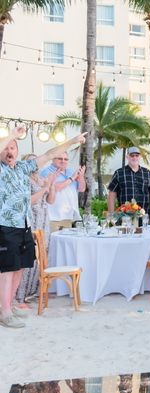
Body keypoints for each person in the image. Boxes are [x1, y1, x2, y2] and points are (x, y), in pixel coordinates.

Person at [0, 126, 86, 328]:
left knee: (21, 266)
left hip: (25, 224)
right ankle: (4, 312)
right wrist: (11, 135)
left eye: (13, 148)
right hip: (6, 226)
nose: (10, 151)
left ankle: (9, 305)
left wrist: (72, 141)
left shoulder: (23, 168)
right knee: (7, 269)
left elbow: (49, 154)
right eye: (6, 148)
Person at [15, 164, 58, 307]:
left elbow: (50, 200)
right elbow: (28, 201)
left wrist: (50, 185)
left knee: (42, 256)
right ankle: (19, 296)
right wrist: (45, 188)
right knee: (29, 259)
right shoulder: (23, 179)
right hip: (31, 220)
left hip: (44, 221)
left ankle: (35, 291)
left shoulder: (40, 179)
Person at [39, 151, 86, 232]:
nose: (63, 161)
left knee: (64, 243)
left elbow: (81, 189)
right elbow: (54, 188)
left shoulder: (70, 171)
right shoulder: (46, 171)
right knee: (52, 243)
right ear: (53, 159)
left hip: (68, 216)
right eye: (60, 158)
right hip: (52, 217)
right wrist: (72, 178)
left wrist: (81, 177)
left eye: (66, 159)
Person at [107, 146, 150, 220]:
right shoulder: (119, 173)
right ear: (127, 157)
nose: (134, 158)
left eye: (137, 155)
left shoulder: (147, 173)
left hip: (144, 217)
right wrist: (111, 216)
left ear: (140, 157)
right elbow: (111, 195)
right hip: (124, 218)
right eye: (132, 155)